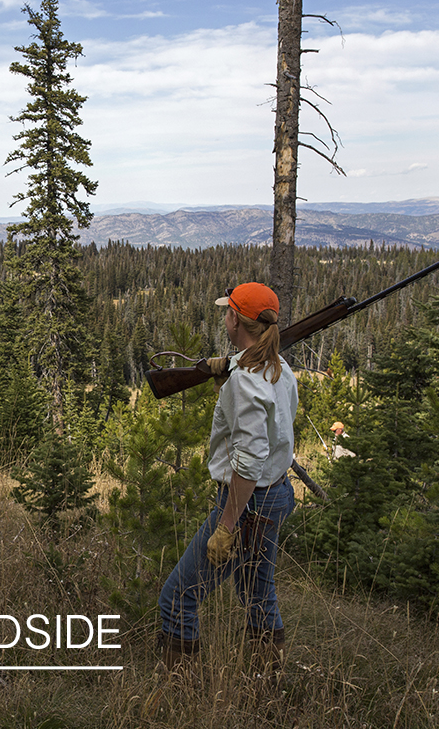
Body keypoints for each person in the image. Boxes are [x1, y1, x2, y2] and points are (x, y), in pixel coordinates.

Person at [158, 282, 299, 672]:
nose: (224, 316)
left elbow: (250, 460)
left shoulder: (245, 382)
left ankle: (180, 694)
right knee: (258, 596)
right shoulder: (279, 368)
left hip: (247, 503)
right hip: (276, 493)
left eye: (227, 311)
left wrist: (226, 525)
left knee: (177, 597)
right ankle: (265, 689)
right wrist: (229, 366)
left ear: (235, 318)